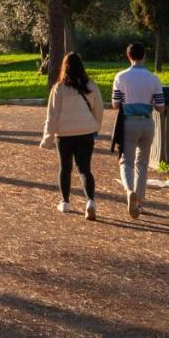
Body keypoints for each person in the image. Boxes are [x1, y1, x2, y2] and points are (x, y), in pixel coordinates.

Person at [40, 52, 102, 221]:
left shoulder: (59, 88)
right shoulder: (91, 85)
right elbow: (99, 109)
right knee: (85, 169)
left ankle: (65, 202)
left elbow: (52, 115)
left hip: (64, 134)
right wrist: (95, 125)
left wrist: (48, 137)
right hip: (85, 132)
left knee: (65, 168)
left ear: (64, 67)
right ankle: (90, 201)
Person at [111, 42, 164, 219]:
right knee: (142, 163)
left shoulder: (121, 77)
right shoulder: (153, 78)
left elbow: (115, 104)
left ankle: (128, 191)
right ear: (144, 56)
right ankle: (139, 202)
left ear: (128, 56)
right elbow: (160, 106)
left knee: (126, 161)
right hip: (147, 123)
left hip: (128, 123)